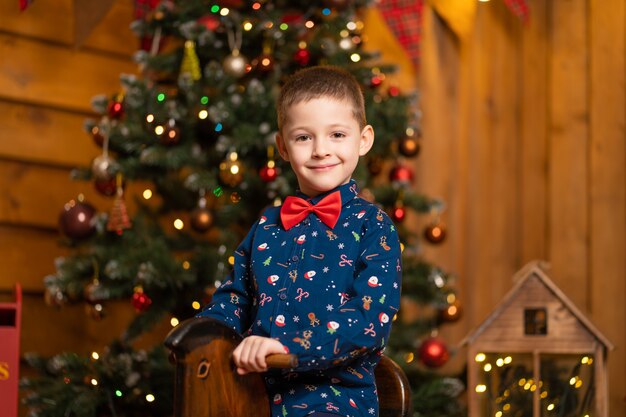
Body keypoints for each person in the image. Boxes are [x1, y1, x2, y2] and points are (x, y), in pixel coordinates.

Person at [198, 66, 402, 417]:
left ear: (363, 140)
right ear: (283, 147)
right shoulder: (266, 226)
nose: (321, 150)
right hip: (249, 396)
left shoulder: (374, 227)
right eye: (304, 137)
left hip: (334, 401)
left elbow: (369, 319)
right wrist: (201, 339)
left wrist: (288, 346)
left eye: (337, 134)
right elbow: (234, 299)